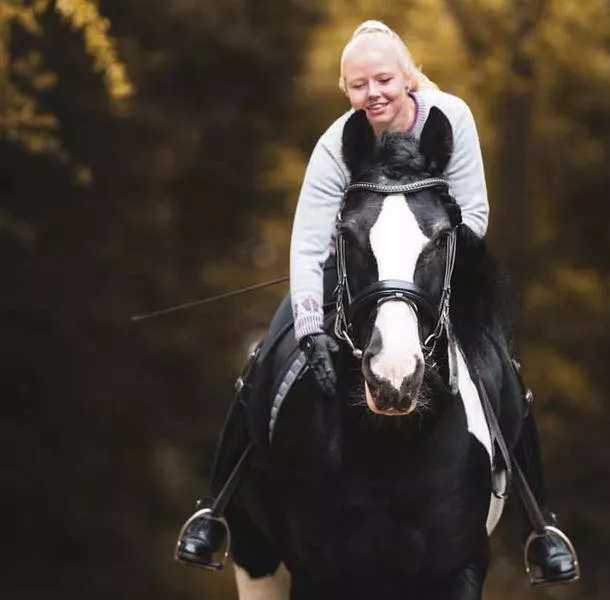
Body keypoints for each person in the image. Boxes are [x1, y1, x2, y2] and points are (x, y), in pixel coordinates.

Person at [175, 20, 577, 585]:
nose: (374, 93)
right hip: (352, 275)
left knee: (501, 363)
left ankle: (541, 524)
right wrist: (313, 327)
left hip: (434, 267)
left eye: (383, 78)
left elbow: (476, 216)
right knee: (265, 354)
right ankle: (214, 509)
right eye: (359, 84)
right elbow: (309, 242)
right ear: (347, 91)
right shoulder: (335, 144)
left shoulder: (451, 120)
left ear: (408, 75)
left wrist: (429, 249)